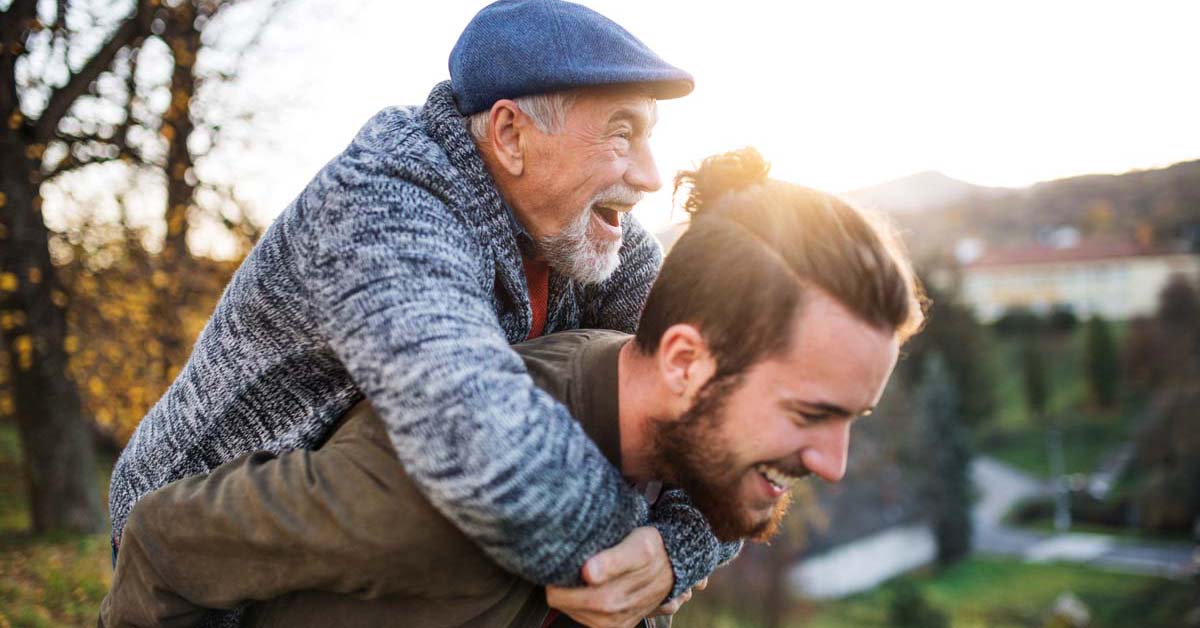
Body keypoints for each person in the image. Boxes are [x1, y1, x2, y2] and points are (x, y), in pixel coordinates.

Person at [100, 148, 927, 628]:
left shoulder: (672, 424)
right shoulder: (426, 492)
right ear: (682, 364)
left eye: (851, 417)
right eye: (811, 413)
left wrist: (672, 557)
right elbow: (165, 543)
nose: (835, 463)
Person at [107, 1, 724, 624]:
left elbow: (735, 402)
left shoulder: (593, 232)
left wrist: (678, 548)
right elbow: (476, 436)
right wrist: (636, 558)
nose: (649, 176)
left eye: (649, 136)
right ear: (510, 135)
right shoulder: (385, 200)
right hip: (202, 561)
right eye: (621, 132)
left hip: (381, 540)